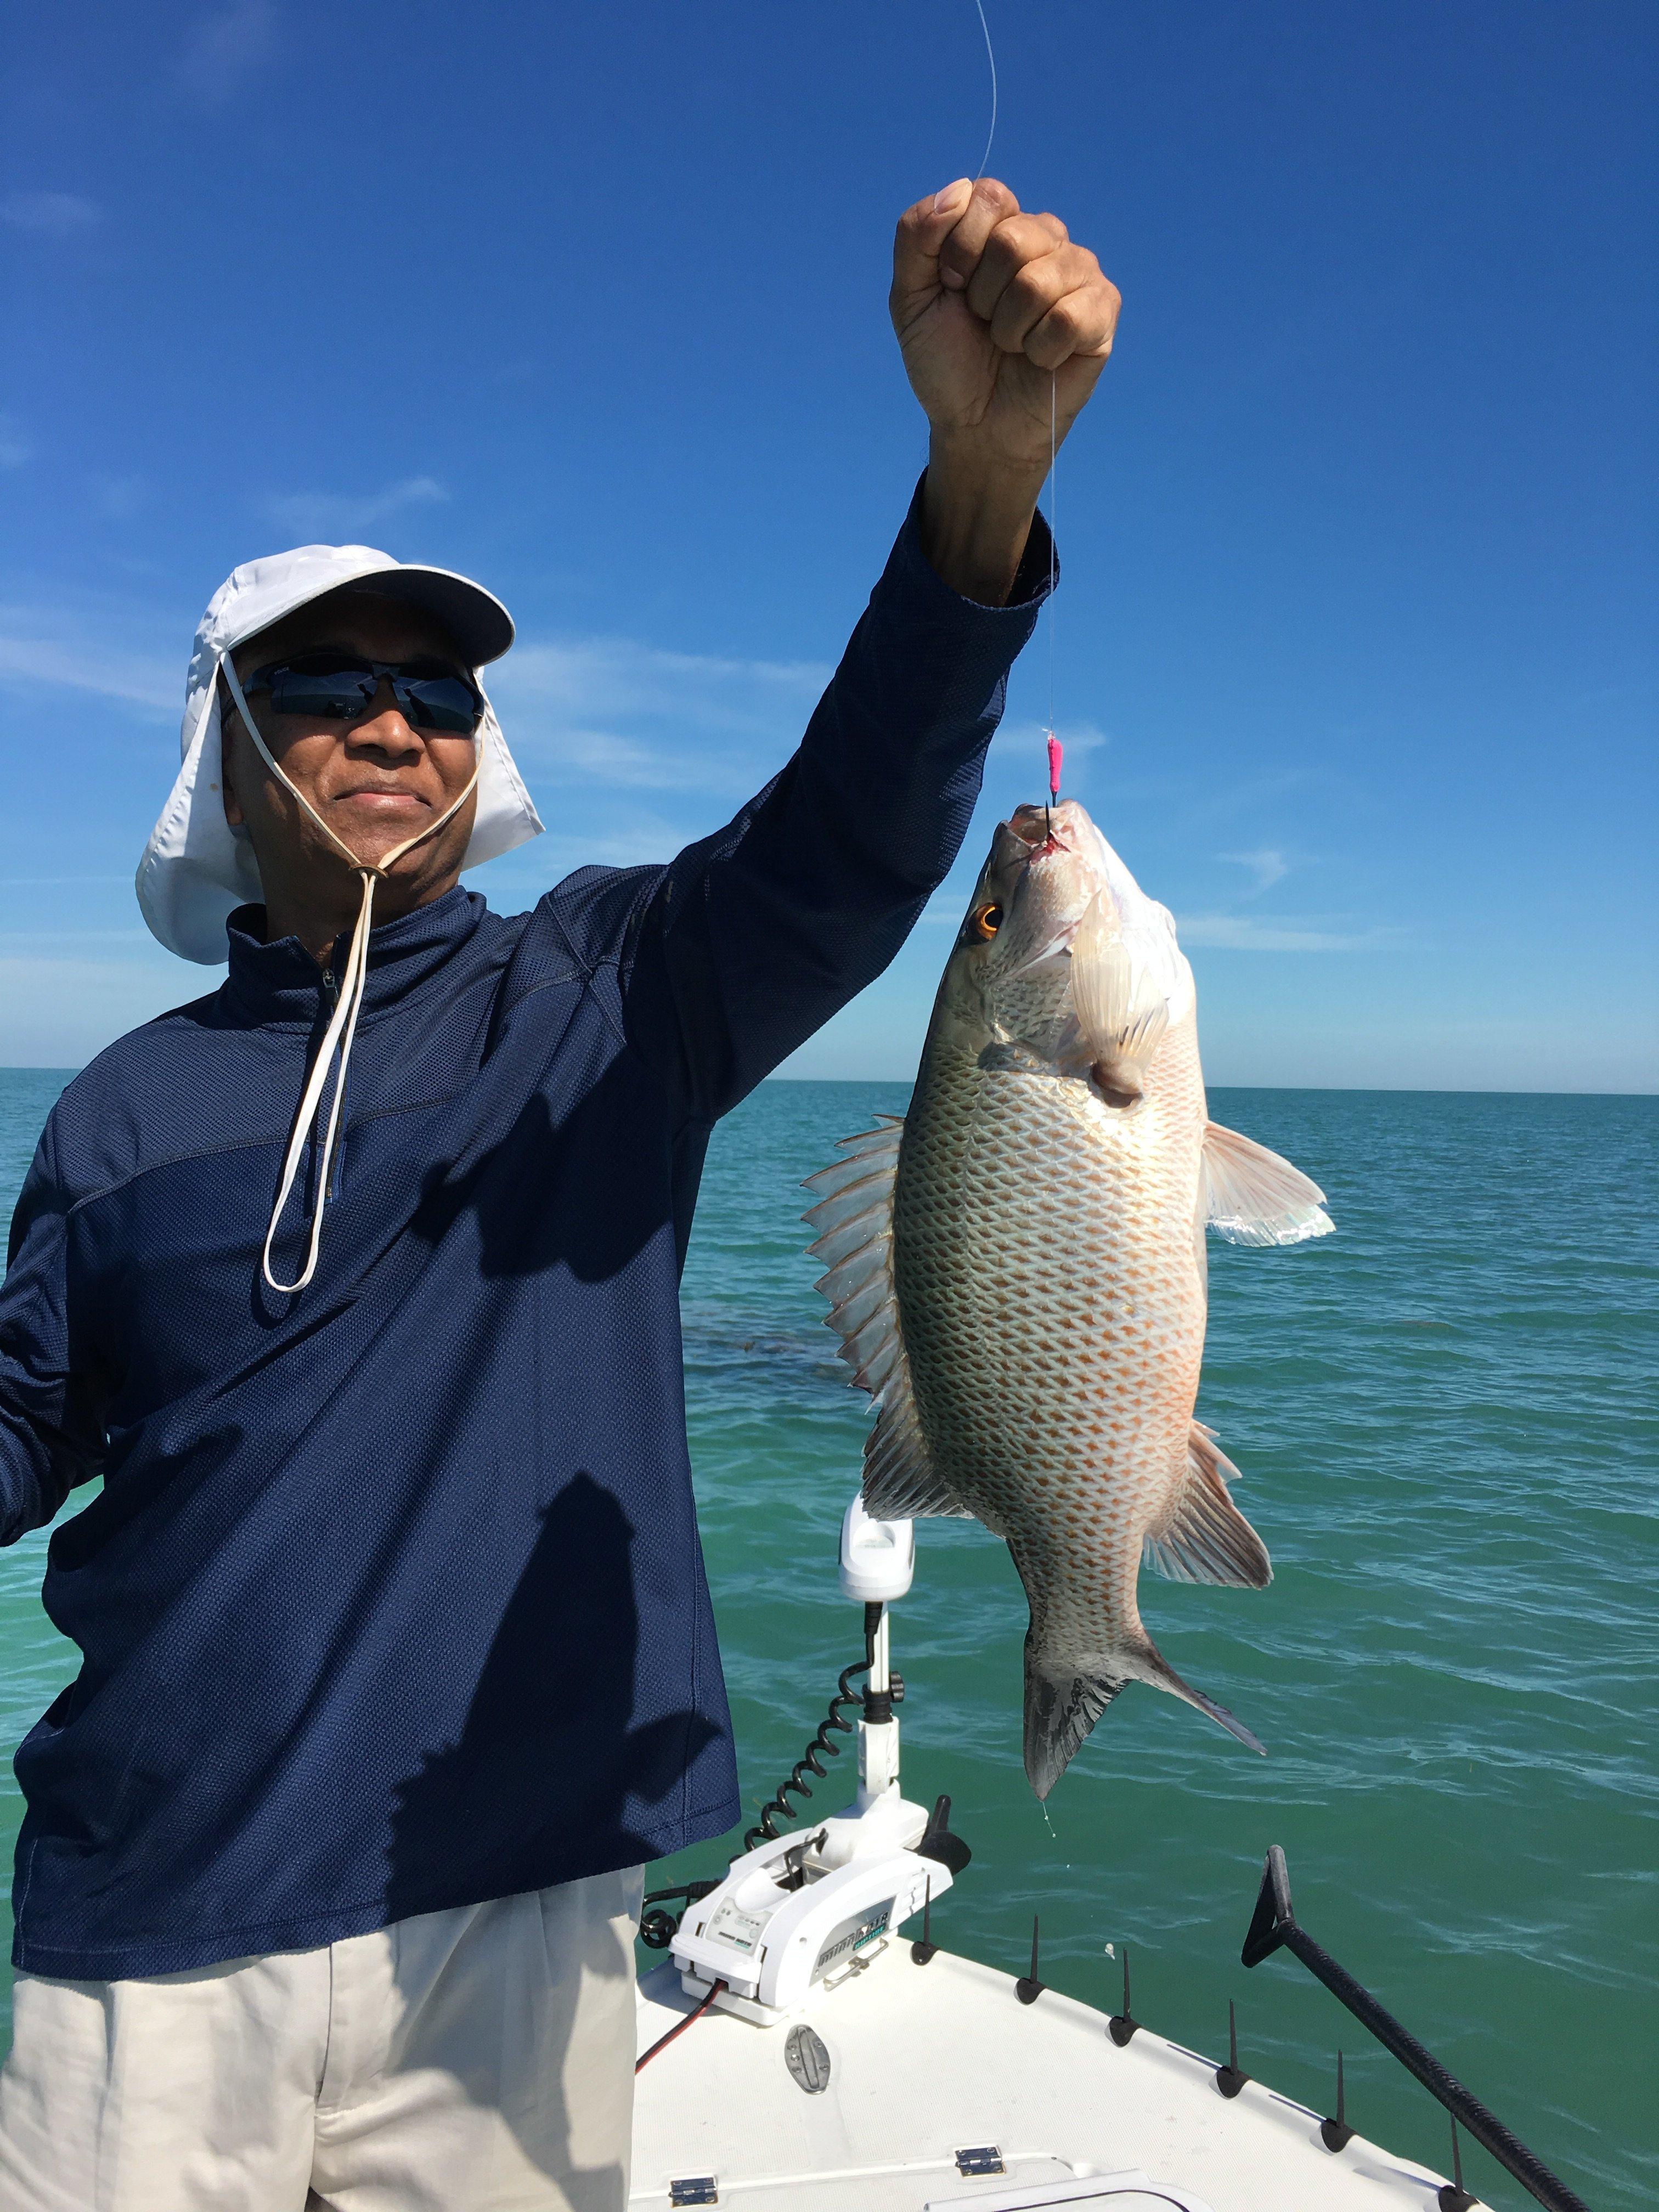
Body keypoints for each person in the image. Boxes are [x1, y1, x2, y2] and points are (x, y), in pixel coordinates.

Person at [0, 178, 1118, 2211]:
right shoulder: (117, 1115)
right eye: (329, 682)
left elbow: (844, 844)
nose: (395, 721)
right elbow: (16, 1428)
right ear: (228, 746)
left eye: (436, 688)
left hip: (511, 1916)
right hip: (147, 1929)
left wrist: (980, 484)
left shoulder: (609, 993)